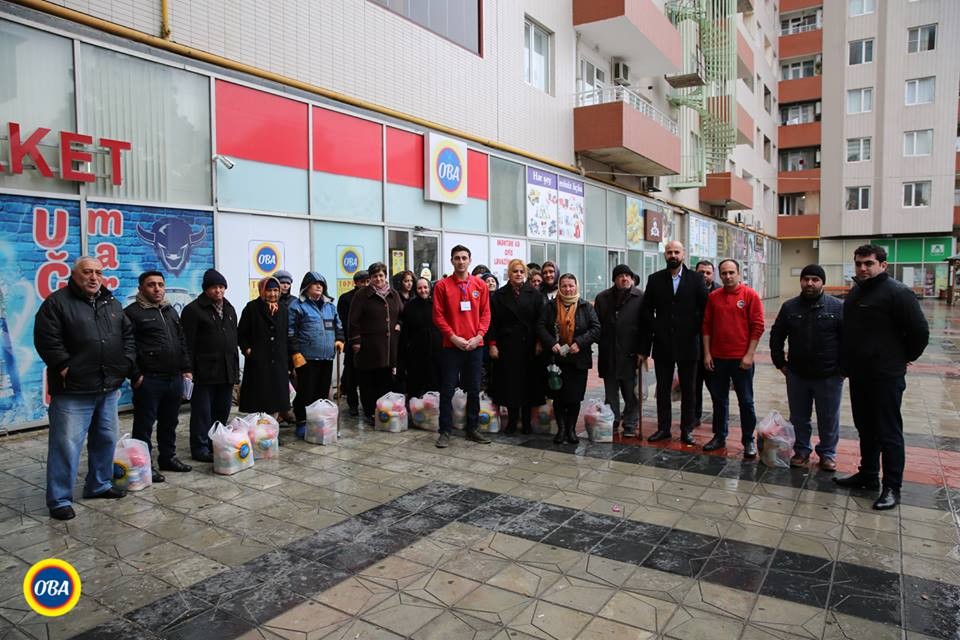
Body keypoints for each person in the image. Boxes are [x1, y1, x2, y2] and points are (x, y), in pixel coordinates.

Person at [34, 257, 136, 520]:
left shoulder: (111, 303)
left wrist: (125, 363)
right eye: (87, 272)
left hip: (108, 387)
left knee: (105, 439)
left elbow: (127, 336)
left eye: (98, 272)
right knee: (66, 446)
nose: (93, 277)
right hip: (73, 390)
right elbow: (47, 340)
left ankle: (99, 484)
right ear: (74, 275)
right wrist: (65, 367)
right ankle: (59, 499)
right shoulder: (57, 303)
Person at [836, 245, 929, 510]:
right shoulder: (856, 292)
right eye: (858, 264)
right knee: (865, 427)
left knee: (888, 432)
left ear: (883, 265)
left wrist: (902, 357)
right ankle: (867, 475)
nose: (863, 268)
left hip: (886, 376)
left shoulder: (898, 293)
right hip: (860, 375)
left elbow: (920, 332)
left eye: (868, 263)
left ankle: (892, 487)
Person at [769, 265, 843, 472]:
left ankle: (827, 454)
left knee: (828, 417)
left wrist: (843, 369)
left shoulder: (837, 307)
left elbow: (848, 340)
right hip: (797, 374)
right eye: (806, 279)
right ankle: (801, 451)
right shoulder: (790, 307)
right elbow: (777, 335)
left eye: (815, 279)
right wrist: (780, 362)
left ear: (822, 283)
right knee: (799, 417)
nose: (810, 283)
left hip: (828, 375)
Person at [125, 270, 193, 484]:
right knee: (144, 425)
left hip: (173, 377)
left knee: (169, 422)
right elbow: (127, 347)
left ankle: (168, 457)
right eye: (151, 285)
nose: (157, 289)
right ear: (141, 288)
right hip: (149, 379)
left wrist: (186, 368)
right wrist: (135, 375)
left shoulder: (170, 311)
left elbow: (181, 341)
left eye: (160, 285)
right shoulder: (132, 313)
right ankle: (143, 465)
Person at [641, 241, 708, 445]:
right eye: (669, 252)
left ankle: (687, 429)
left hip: (689, 344)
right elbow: (646, 311)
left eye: (676, 252)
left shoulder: (696, 280)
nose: (673, 255)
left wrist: (694, 330)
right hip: (662, 344)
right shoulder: (654, 280)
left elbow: (705, 311)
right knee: (662, 389)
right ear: (665, 255)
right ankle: (664, 428)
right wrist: (656, 329)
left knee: (689, 390)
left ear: (683, 254)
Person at [432, 245, 493, 448]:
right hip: (451, 346)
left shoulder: (480, 285)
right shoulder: (442, 286)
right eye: (457, 258)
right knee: (447, 389)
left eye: (464, 258)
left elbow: (486, 314)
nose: (460, 261)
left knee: (474, 389)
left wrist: (479, 336)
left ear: (470, 260)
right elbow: (438, 316)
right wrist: (453, 337)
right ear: (451, 261)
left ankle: (472, 428)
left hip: (475, 346)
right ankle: (445, 431)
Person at [702, 259, 764, 457]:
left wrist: (749, 355)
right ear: (720, 275)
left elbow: (758, 326)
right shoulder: (713, 297)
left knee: (746, 401)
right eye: (724, 273)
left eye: (731, 272)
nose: (728, 277)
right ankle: (719, 436)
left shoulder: (750, 295)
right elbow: (706, 327)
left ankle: (748, 440)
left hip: (741, 360)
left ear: (738, 273)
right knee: (719, 400)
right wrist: (707, 353)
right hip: (718, 358)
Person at [182, 269, 239, 462]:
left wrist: (236, 372)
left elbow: (233, 342)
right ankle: (200, 448)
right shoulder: (193, 310)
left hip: (226, 370)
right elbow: (187, 343)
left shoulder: (229, 309)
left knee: (222, 410)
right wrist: (187, 369)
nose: (218, 291)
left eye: (221, 287)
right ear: (206, 289)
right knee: (201, 414)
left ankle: (217, 442)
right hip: (203, 371)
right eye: (214, 287)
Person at [537, 274, 601, 444]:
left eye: (571, 285)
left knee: (574, 397)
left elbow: (596, 328)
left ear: (576, 286)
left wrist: (580, 343)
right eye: (564, 286)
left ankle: (571, 430)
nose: (567, 289)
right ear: (559, 287)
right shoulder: (551, 306)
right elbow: (541, 326)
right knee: (558, 396)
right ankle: (561, 429)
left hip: (578, 359)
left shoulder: (585, 306)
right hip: (556, 359)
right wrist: (551, 343)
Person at [488, 259, 545, 435]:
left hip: (529, 346)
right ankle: (512, 421)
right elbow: (492, 323)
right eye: (515, 271)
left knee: (527, 385)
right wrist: (492, 344)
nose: (518, 274)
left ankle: (526, 422)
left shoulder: (535, 295)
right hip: (507, 346)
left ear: (526, 274)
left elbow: (540, 322)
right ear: (509, 274)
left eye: (521, 271)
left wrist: (539, 342)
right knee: (510, 385)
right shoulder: (498, 296)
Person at [288, 272, 344, 437]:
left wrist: (340, 339)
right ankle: (302, 422)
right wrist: (295, 352)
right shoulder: (298, 306)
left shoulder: (329, 306)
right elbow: (291, 331)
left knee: (322, 393)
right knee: (306, 392)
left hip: (327, 356)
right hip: (306, 358)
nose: (319, 287)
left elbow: (338, 326)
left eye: (321, 284)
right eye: (315, 284)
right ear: (306, 287)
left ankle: (319, 422)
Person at [594, 264, 646, 437]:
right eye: (620, 276)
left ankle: (631, 423)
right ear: (614, 279)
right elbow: (596, 325)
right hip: (608, 352)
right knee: (611, 392)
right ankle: (613, 419)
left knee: (631, 392)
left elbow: (647, 327)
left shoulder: (640, 297)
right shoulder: (603, 298)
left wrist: (642, 351)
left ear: (632, 278)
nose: (624, 279)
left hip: (631, 353)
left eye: (627, 276)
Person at [349, 262, 402, 426]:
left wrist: (400, 323)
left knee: (385, 379)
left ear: (385, 276)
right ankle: (370, 411)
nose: (378, 279)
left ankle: (383, 410)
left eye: (381, 275)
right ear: (370, 278)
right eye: (375, 276)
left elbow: (401, 312)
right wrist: (356, 341)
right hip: (368, 345)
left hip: (388, 345)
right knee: (368, 381)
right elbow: (353, 320)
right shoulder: (362, 295)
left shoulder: (393, 293)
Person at [238, 277, 291, 417]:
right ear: (261, 290)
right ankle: (257, 434)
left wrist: (289, 363)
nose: (272, 294)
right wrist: (247, 350)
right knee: (258, 401)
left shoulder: (284, 309)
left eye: (275, 290)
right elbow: (241, 334)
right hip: (258, 363)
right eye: (268, 290)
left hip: (278, 363)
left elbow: (287, 336)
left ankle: (271, 436)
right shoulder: (251, 308)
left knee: (276, 402)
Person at [399, 277, 441, 400]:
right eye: (420, 288)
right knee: (415, 386)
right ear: (416, 290)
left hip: (435, 352)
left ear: (430, 288)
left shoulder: (436, 304)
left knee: (434, 385)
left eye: (425, 287)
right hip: (416, 353)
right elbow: (405, 332)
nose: (423, 290)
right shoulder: (410, 306)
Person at [337, 270, 370, 417]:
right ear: (355, 283)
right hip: (352, 342)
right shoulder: (346, 298)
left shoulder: (372, 296)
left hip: (369, 343)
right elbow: (344, 322)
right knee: (351, 376)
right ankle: (353, 405)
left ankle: (368, 405)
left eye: (367, 281)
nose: (365, 284)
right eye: (362, 282)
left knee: (366, 377)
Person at [694, 261, 721, 425]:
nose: (704, 275)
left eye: (708, 272)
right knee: (693, 388)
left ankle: (719, 421)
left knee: (716, 389)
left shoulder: (720, 292)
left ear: (713, 274)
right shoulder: (689, 290)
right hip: (694, 348)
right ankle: (694, 417)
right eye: (701, 272)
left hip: (715, 350)